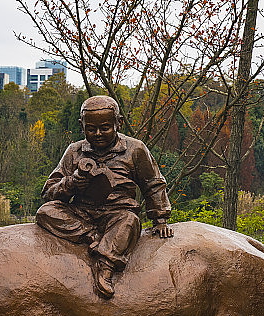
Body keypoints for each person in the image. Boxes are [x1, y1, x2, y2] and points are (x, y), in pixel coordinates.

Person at [36, 95, 173, 299]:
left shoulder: (135, 149)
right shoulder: (74, 151)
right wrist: (72, 183)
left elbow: (153, 183)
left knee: (129, 221)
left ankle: (106, 266)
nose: (98, 134)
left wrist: (160, 219)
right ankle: (92, 237)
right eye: (91, 129)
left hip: (117, 214)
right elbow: (49, 192)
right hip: (82, 214)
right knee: (46, 212)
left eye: (105, 128)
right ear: (82, 126)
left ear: (119, 122)